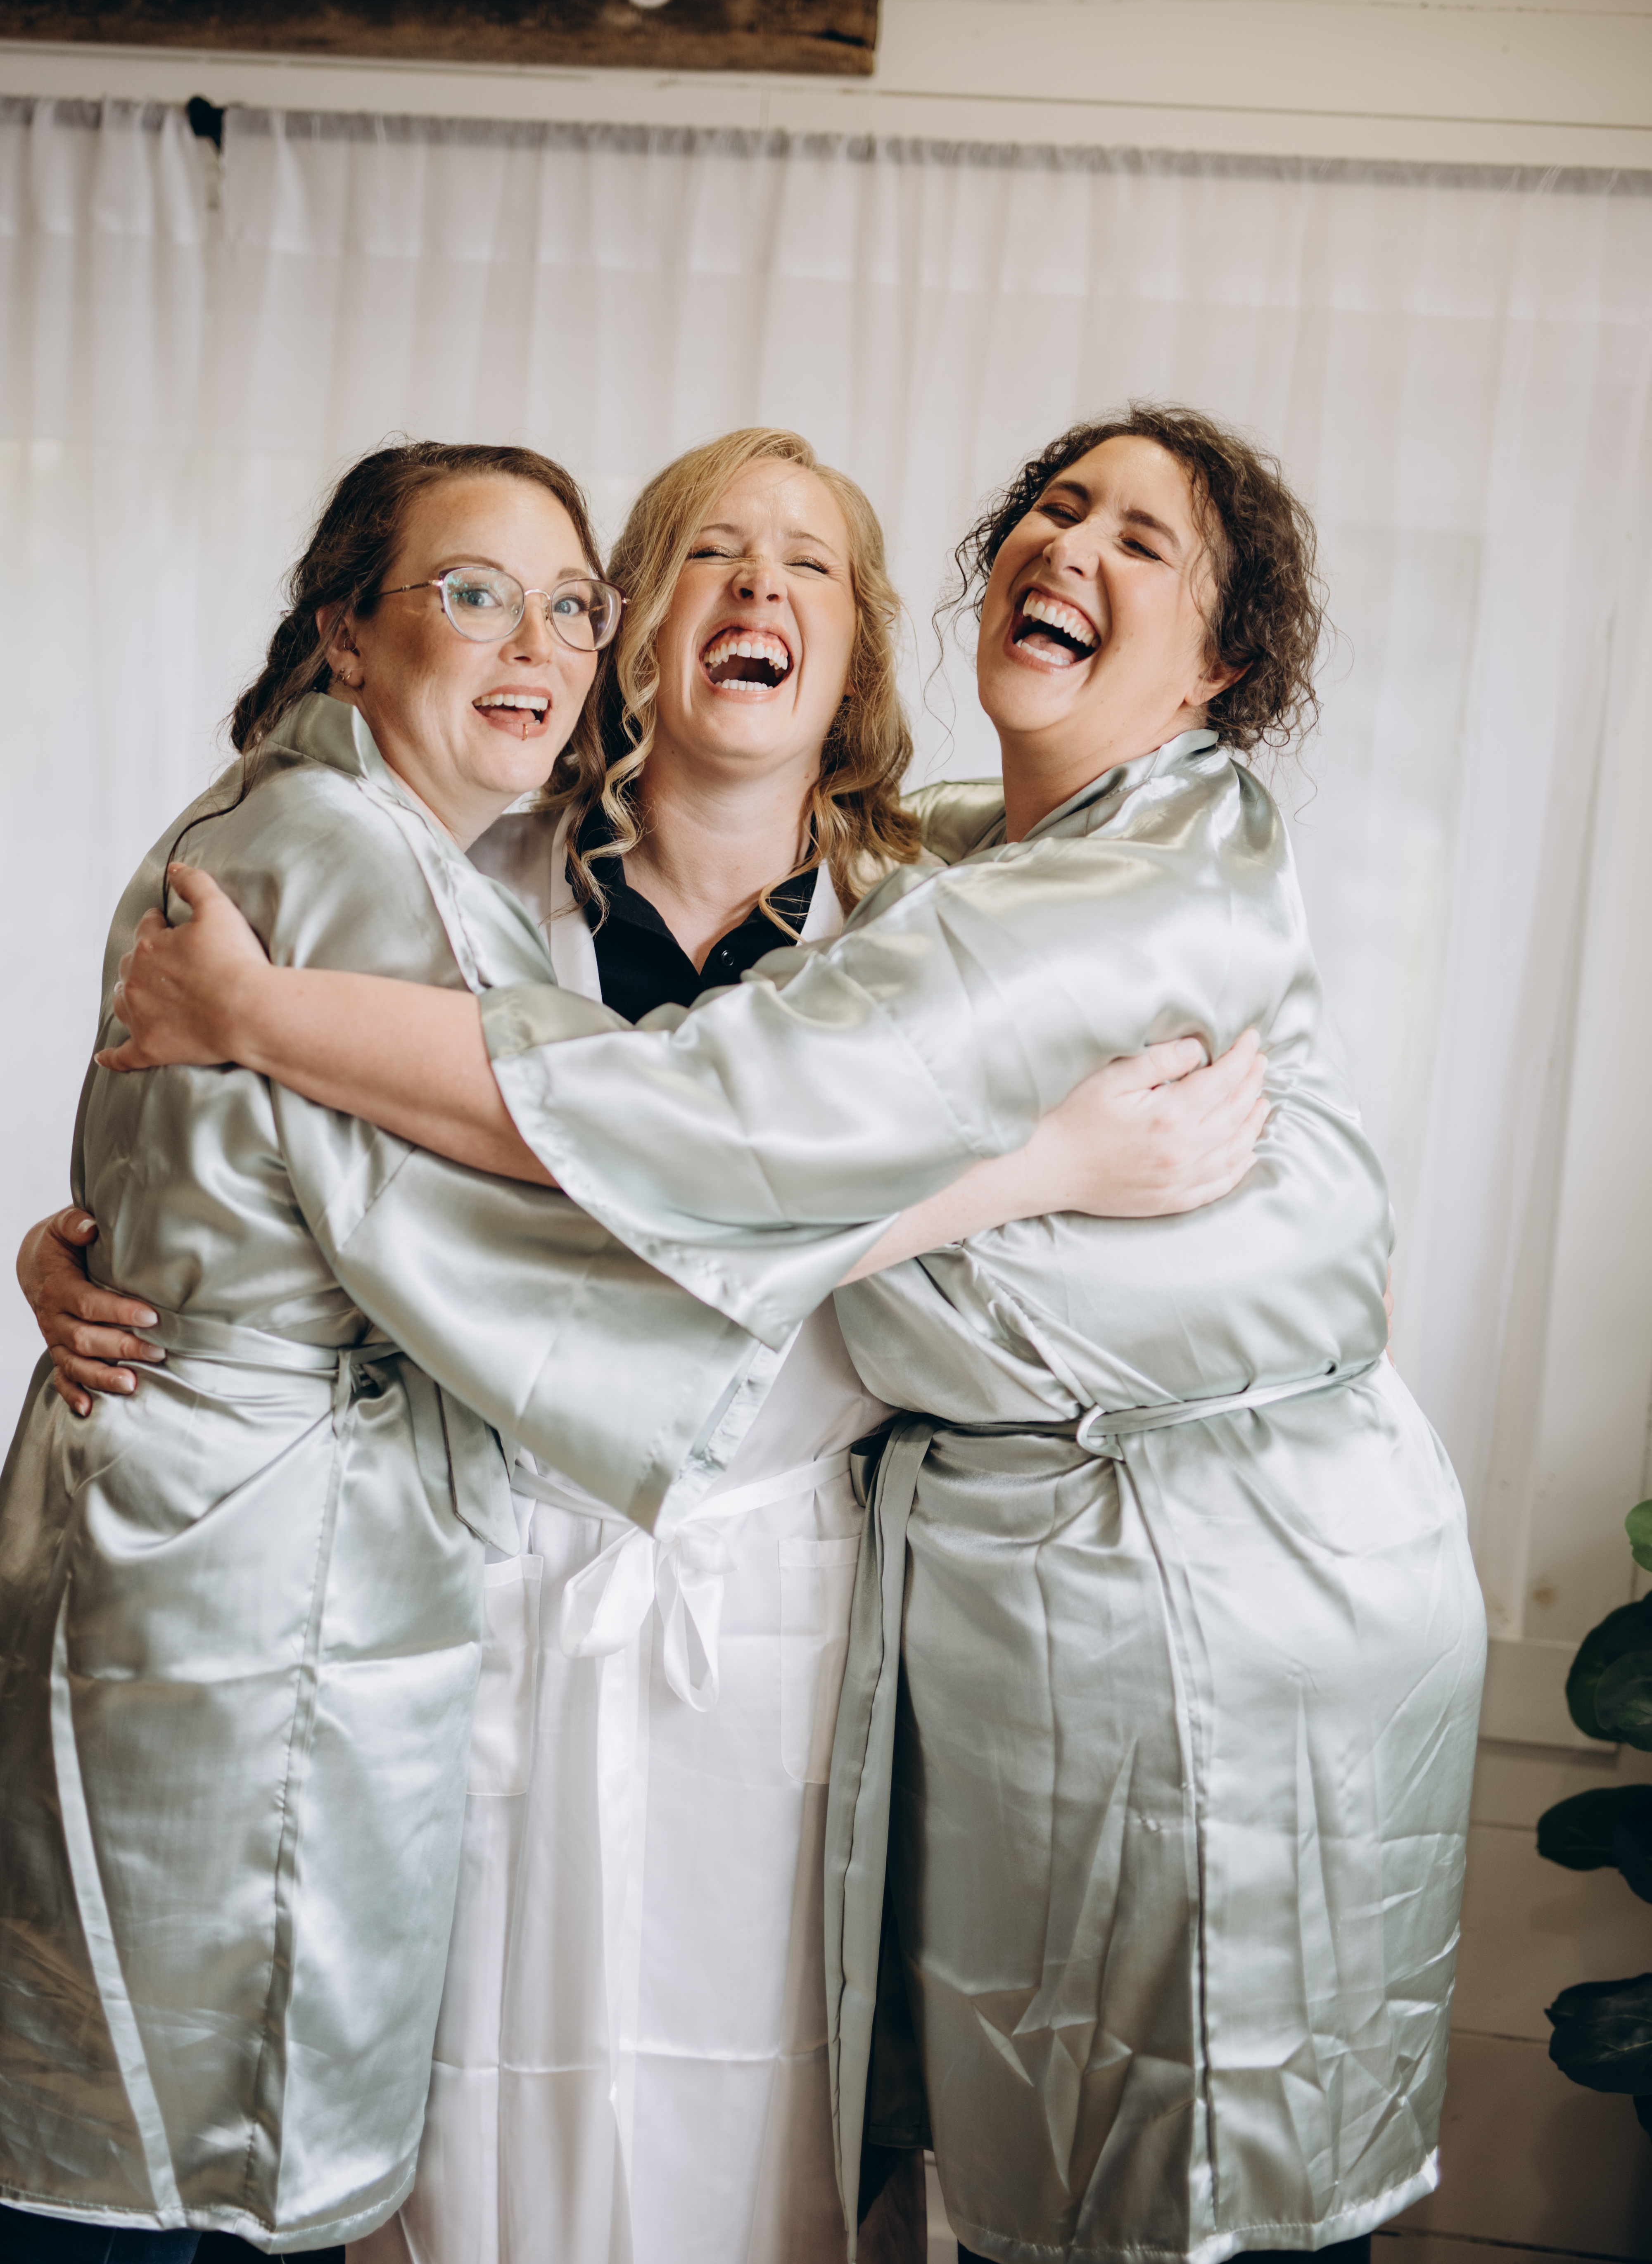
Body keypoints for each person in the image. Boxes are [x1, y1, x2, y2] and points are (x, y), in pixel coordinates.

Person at [90, 401, 1486, 2262]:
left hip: (814, 1620)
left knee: (776, 2122)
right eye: (710, 556)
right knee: (476, 2128)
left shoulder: (939, 917)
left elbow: (1309, 1232)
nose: (761, 589)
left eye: (811, 564)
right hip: (496, 1589)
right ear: (637, 631)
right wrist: (97, 1265)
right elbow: (286, 1202)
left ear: (854, 651)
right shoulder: (465, 886)